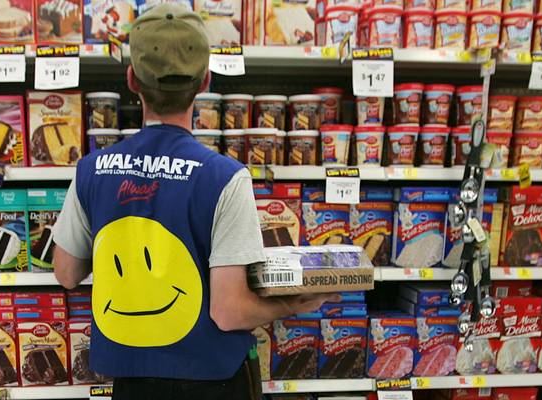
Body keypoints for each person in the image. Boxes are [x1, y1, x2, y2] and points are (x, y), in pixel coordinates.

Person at [50, 4, 338, 399]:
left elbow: (66, 273)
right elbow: (229, 310)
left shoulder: (91, 170)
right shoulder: (224, 177)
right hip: (212, 381)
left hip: (132, 383)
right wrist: (295, 305)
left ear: (132, 79)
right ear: (204, 81)